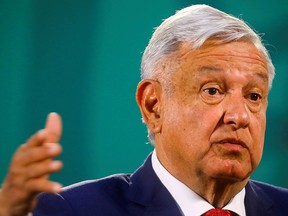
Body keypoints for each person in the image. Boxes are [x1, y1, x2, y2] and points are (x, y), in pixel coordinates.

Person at [0, 4, 288, 216]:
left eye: (254, 96)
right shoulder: (73, 210)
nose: (239, 116)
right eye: (212, 91)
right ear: (153, 105)